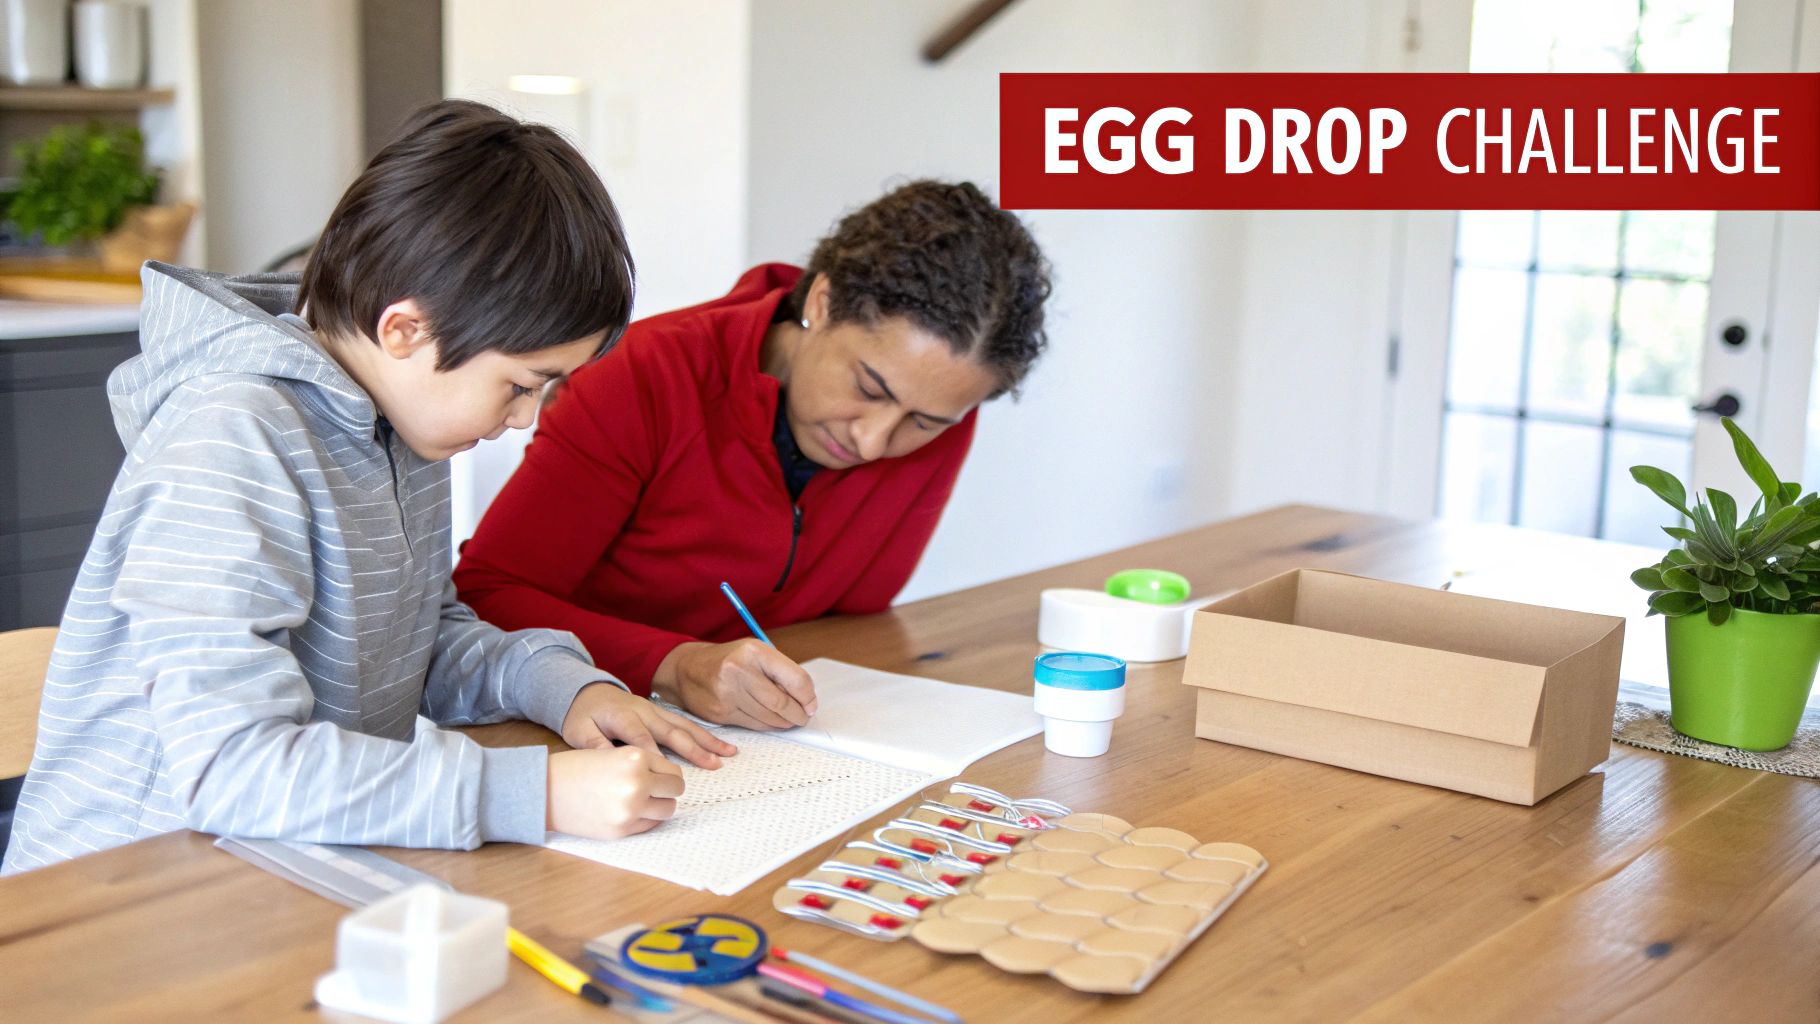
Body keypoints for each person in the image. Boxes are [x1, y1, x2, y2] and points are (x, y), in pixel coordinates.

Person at [2, 100, 734, 875]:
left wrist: (562, 686)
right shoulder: (233, 435)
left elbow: (415, 641)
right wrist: (535, 792)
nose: (525, 420)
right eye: (522, 385)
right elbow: (232, 767)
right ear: (405, 331)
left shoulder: (398, 424)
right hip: (127, 890)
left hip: (282, 863)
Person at [455, 180, 1051, 730]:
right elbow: (488, 593)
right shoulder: (643, 375)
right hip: (581, 725)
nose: (873, 443)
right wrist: (671, 663)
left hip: (774, 742)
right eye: (870, 389)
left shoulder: (940, 413)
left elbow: (851, 619)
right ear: (822, 301)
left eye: (924, 423)